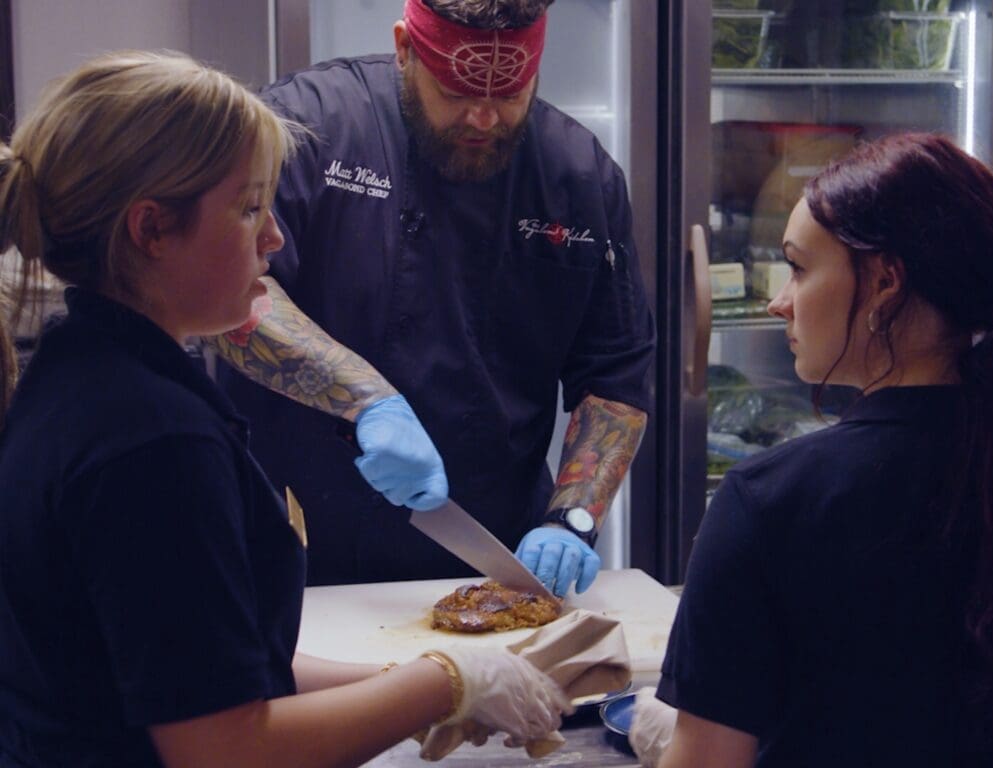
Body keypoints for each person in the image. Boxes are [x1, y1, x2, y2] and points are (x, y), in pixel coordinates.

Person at [0, 50, 570, 767]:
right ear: (150, 231)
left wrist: (412, 692)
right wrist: (445, 681)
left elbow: (211, 676)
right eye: (248, 210)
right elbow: (225, 749)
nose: (274, 237)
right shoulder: (150, 441)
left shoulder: (82, 370)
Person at [212, 0, 655, 592]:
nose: (482, 118)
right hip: (292, 546)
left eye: (508, 95)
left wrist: (572, 518)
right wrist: (368, 402)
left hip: (487, 560)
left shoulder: (579, 176)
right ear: (404, 48)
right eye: (455, 92)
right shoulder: (305, 128)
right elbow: (229, 298)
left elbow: (615, 375)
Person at [628, 133, 993, 768]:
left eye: (798, 267)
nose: (778, 301)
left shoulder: (766, 503)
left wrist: (666, 741)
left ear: (885, 282)